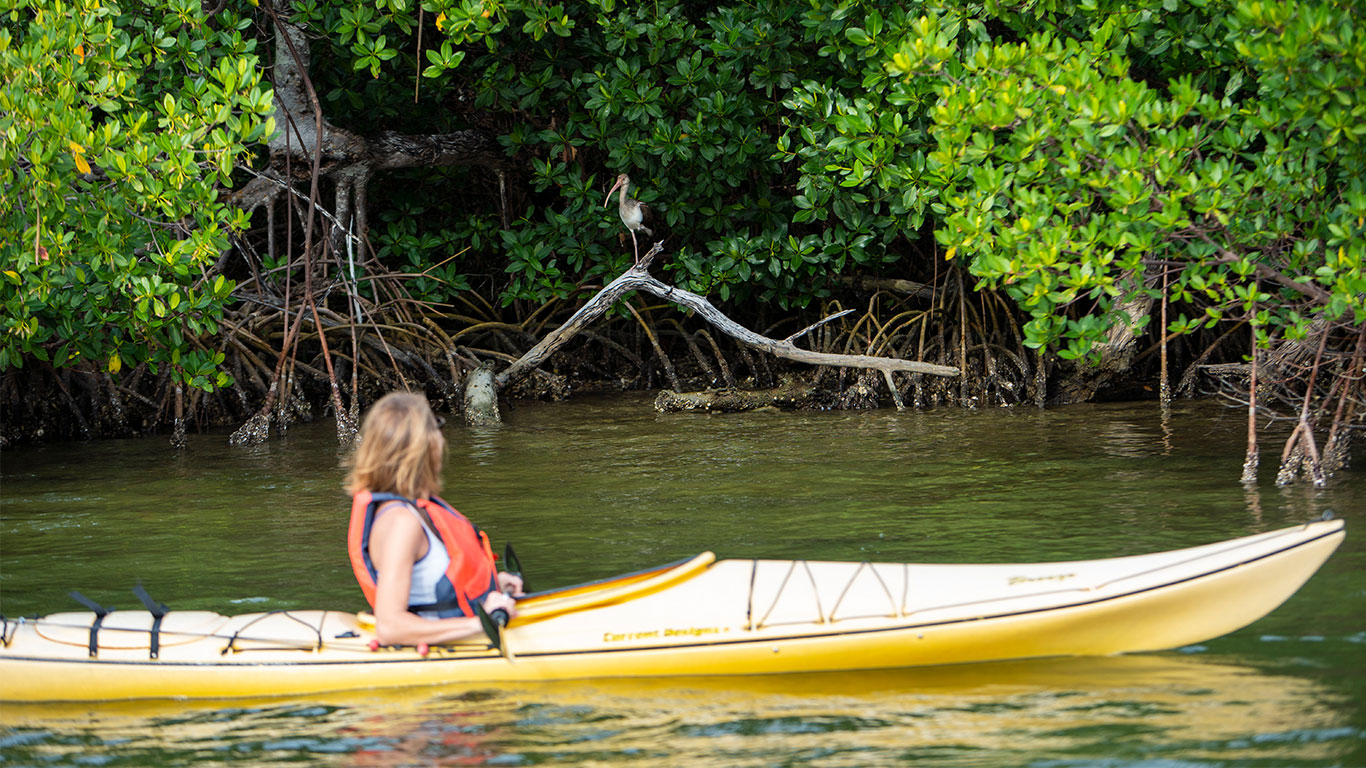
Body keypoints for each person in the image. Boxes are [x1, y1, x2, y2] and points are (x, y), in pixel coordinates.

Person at [345, 392, 521, 646]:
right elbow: (390, 627)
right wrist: (483, 622)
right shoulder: (401, 523)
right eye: (436, 427)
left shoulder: (416, 511)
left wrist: (493, 585)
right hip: (451, 647)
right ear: (425, 446)